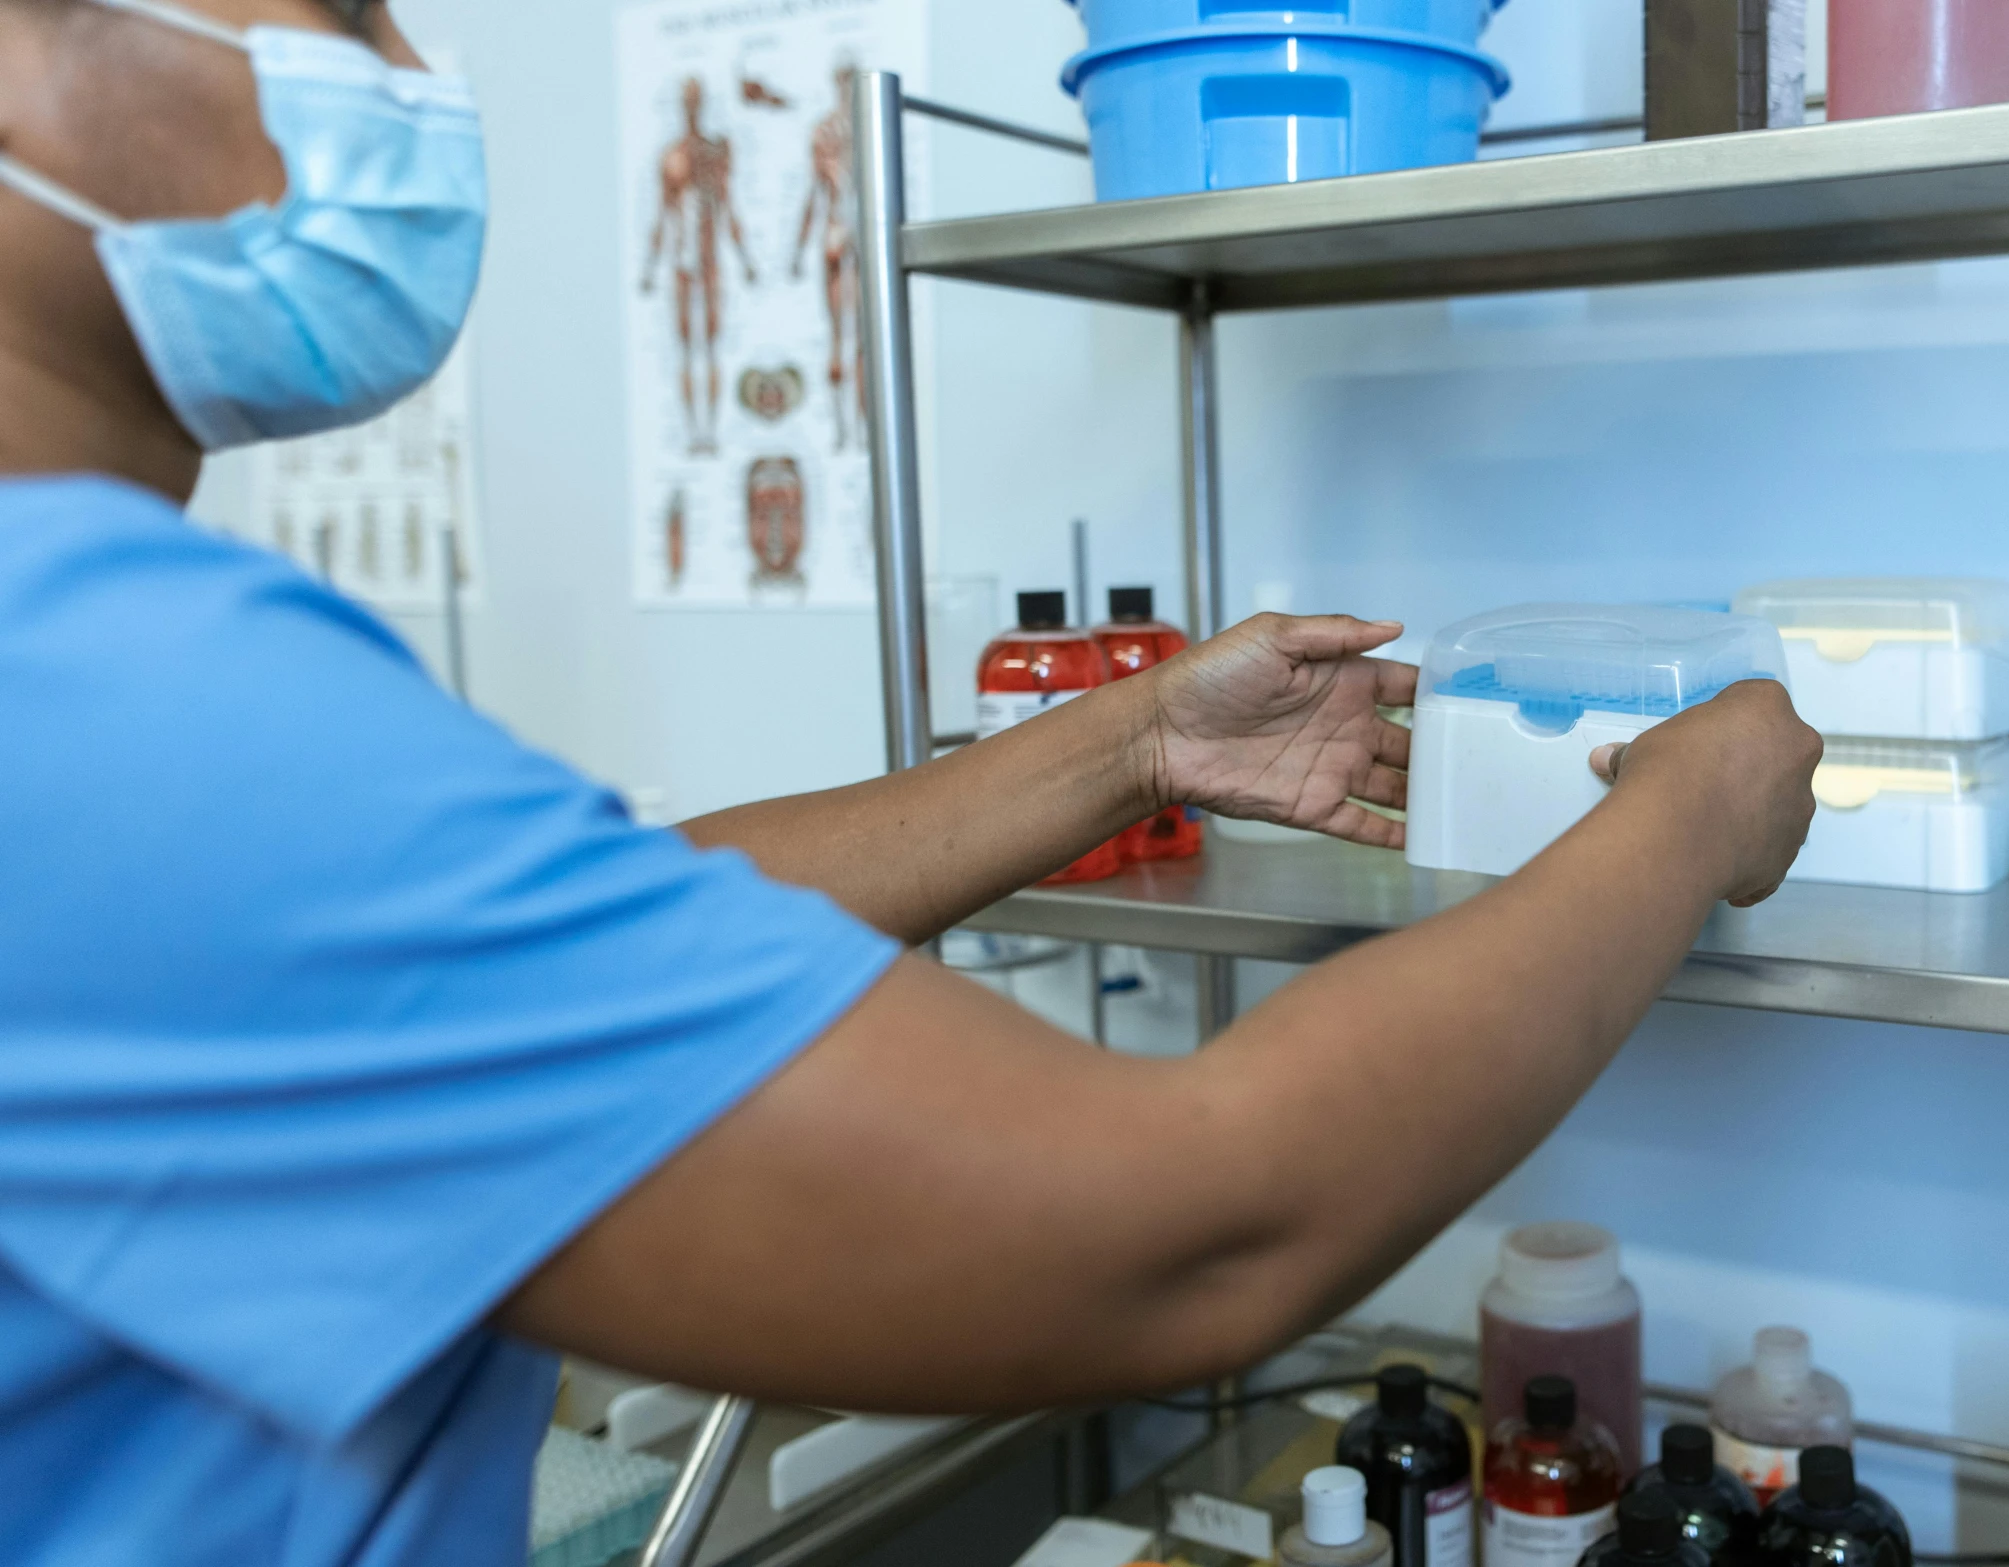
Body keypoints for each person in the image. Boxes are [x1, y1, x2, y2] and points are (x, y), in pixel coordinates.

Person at [0, 2, 1821, 1564]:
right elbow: (1187, 1224)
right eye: (348, 7)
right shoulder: (111, 687)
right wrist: (1680, 813)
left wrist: (1132, 741)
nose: (413, 71)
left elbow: (591, 938)